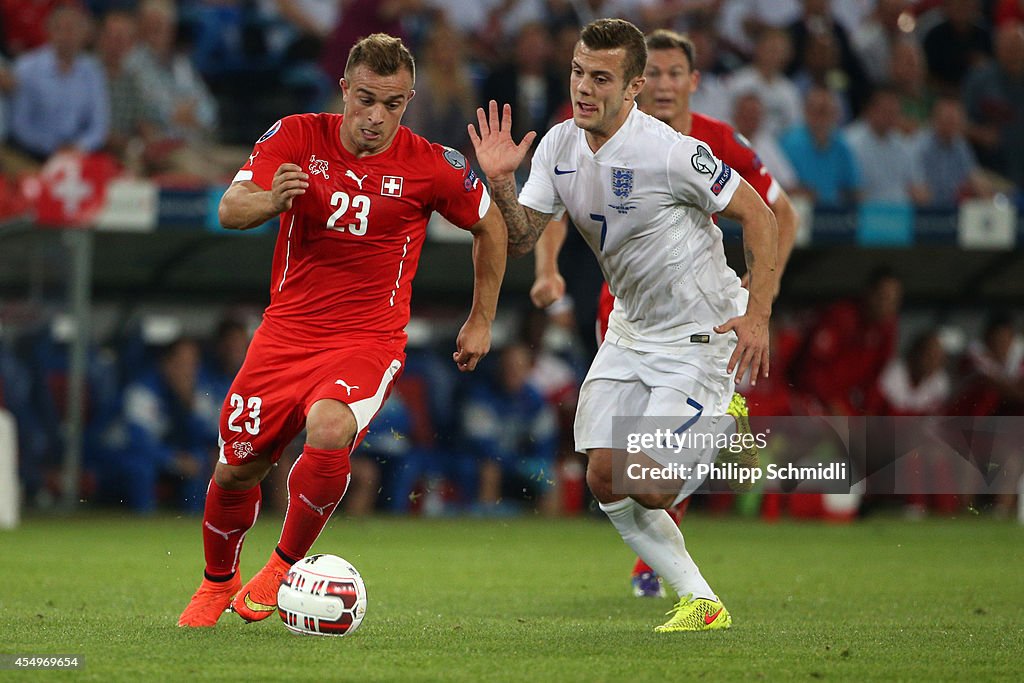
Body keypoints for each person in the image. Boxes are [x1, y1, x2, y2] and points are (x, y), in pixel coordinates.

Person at [178, 33, 507, 627]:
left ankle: (282, 566)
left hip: (368, 338)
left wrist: (480, 319)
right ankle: (214, 583)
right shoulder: (297, 136)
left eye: (394, 104)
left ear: (408, 101)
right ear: (344, 92)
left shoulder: (432, 164)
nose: (377, 117)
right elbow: (230, 208)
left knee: (329, 427)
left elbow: (493, 227)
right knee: (236, 468)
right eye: (366, 100)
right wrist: (271, 202)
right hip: (284, 334)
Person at [470, 18, 777, 632]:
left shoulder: (671, 152)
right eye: (578, 72)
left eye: (601, 78)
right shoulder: (559, 144)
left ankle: (722, 418)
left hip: (700, 336)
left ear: (634, 87)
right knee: (605, 476)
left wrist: (759, 316)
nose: (584, 87)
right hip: (631, 334)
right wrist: (501, 182)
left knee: (653, 484)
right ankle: (702, 602)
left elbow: (761, 218)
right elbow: (525, 235)